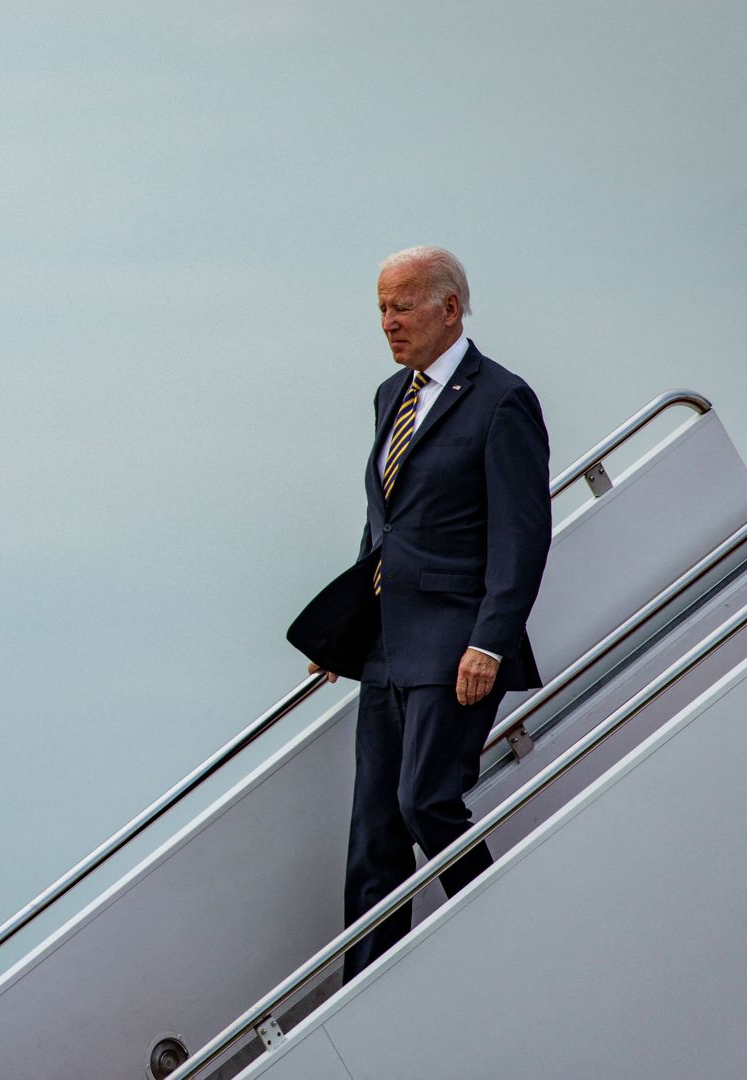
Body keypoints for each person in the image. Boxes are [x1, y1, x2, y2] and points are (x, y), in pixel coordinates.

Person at [287, 246, 550, 979]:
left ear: (449, 308)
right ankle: (366, 993)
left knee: (423, 801)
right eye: (381, 307)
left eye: (401, 306)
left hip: (456, 644)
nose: (388, 323)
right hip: (387, 647)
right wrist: (345, 627)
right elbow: (384, 526)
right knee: (372, 836)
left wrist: (491, 642)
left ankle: (503, 928)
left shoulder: (502, 399)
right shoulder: (389, 397)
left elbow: (522, 536)